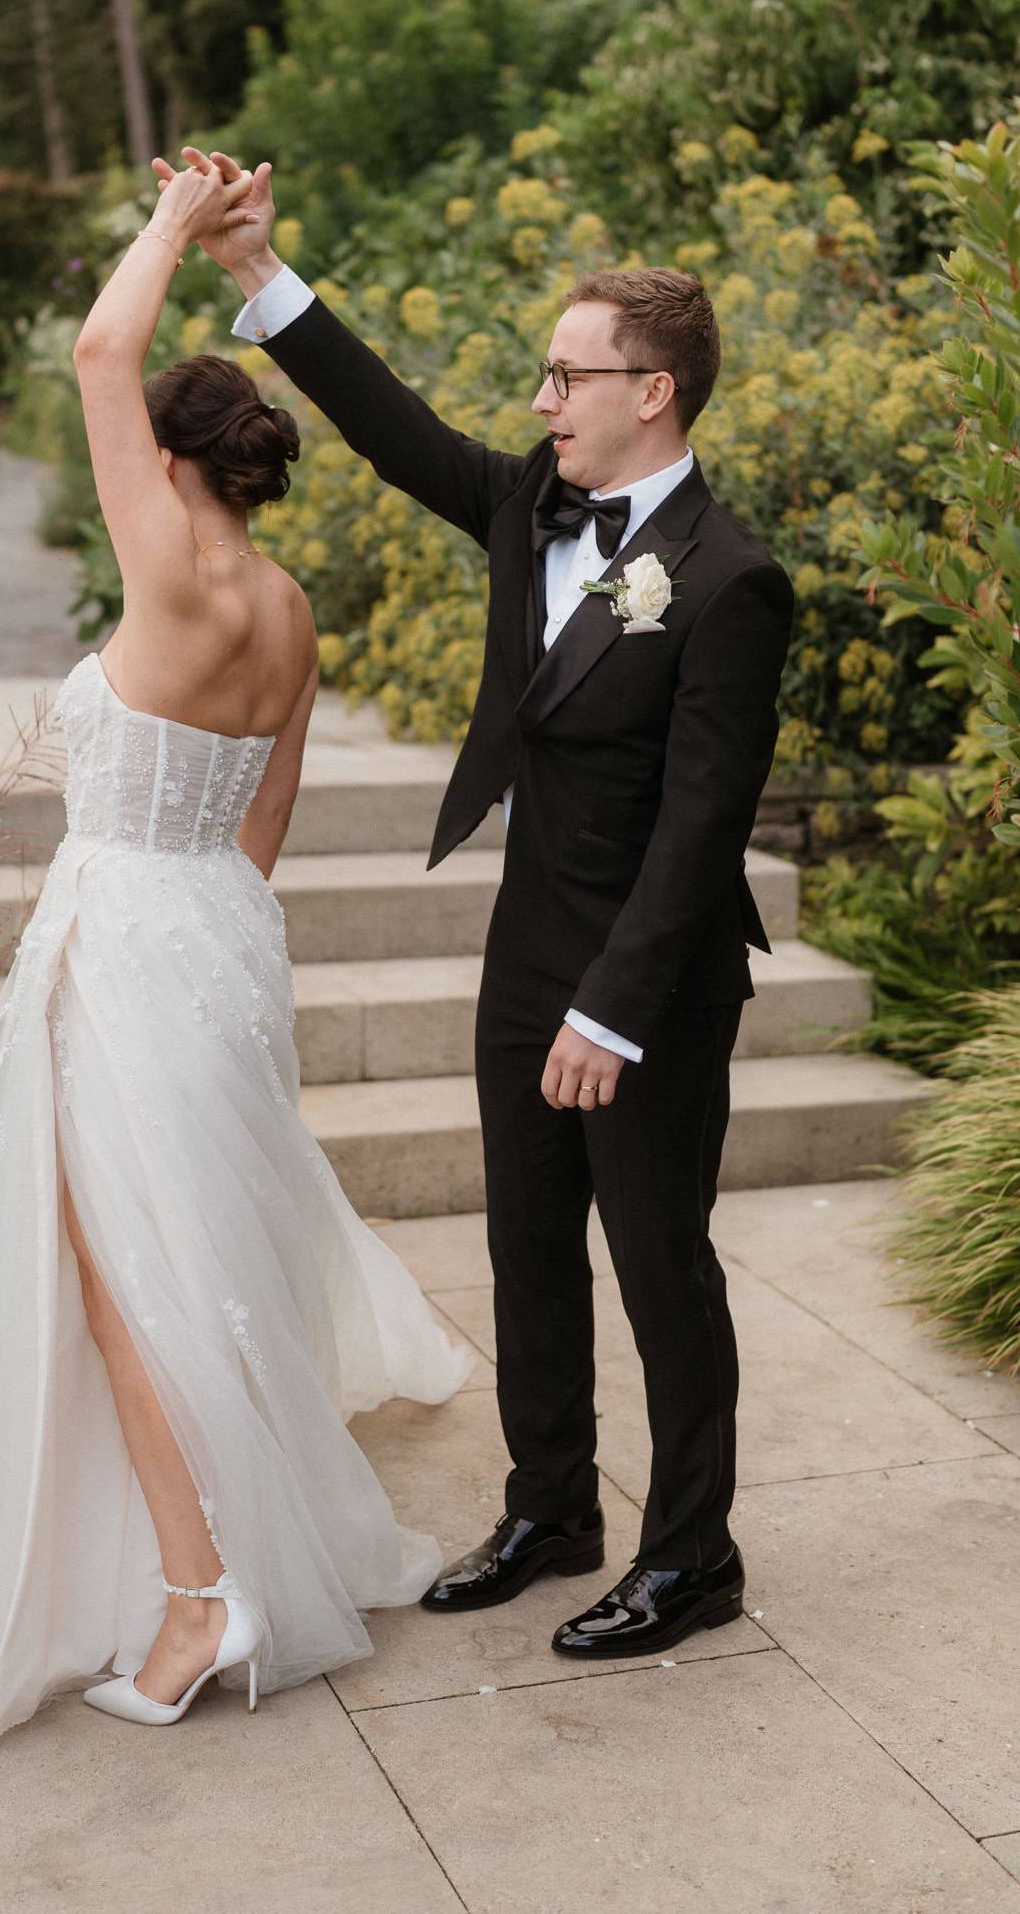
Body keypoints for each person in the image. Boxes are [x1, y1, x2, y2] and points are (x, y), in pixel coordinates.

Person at [0, 157, 474, 1762]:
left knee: (126, 1286)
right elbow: (266, 817)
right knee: (200, 1262)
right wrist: (203, 932)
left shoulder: (166, 564)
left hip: (128, 939)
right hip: (222, 931)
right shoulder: (291, 612)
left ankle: (201, 1595)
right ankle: (216, 1554)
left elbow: (101, 351)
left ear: (164, 463)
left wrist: (171, 225)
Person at [165, 143, 794, 1662]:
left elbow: (702, 830)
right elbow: (394, 430)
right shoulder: (531, 507)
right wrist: (255, 268)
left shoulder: (729, 580)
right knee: (527, 1247)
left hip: (650, 981)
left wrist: (612, 1013)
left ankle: (693, 1555)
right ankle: (551, 1508)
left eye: (569, 376)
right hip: (528, 950)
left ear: (653, 392)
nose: (543, 398)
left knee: (660, 1266)